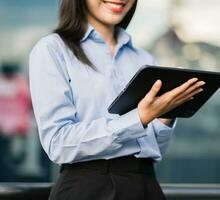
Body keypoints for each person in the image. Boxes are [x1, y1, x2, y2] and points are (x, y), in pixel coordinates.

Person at [29, 0, 205, 199]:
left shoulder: (144, 59)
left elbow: (154, 149)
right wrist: (139, 117)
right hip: (89, 188)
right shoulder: (53, 49)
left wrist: (165, 114)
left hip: (146, 184)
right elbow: (58, 143)